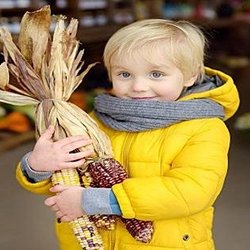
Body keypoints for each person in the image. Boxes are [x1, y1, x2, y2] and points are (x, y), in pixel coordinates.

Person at [16, 19, 239, 250]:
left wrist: (92, 201)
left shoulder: (204, 128)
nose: (138, 86)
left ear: (190, 75)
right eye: (124, 74)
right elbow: (66, 182)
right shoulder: (94, 120)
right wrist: (38, 167)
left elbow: (191, 191)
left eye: (156, 74)